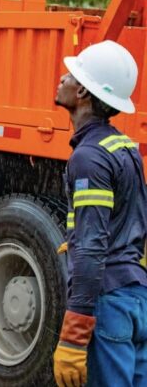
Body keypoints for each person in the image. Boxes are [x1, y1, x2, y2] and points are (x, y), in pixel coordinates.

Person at [53, 40, 147, 387]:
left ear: (81, 91)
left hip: (108, 305)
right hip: (136, 299)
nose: (62, 77)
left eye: (71, 73)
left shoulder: (88, 157)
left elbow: (93, 248)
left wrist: (75, 336)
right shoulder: (122, 146)